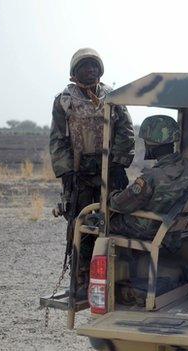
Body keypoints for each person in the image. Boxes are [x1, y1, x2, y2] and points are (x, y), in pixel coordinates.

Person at [50, 48, 135, 296]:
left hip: (111, 172)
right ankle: (78, 284)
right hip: (78, 175)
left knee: (116, 225)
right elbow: (57, 140)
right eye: (85, 66)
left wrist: (117, 164)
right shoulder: (64, 100)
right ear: (74, 72)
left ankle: (118, 282)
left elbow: (126, 131)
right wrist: (67, 172)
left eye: (94, 66)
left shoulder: (113, 96)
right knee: (80, 227)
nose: (91, 70)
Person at [109, 115, 188, 242]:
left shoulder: (151, 177)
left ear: (151, 144)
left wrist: (112, 194)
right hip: (174, 229)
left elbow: (120, 204)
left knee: (94, 221)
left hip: (150, 230)